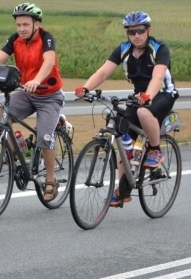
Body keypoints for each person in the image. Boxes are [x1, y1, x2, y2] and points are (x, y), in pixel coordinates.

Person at [75, 10, 178, 207]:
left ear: (148, 30)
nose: (136, 36)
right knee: (116, 122)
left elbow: (157, 77)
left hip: (163, 93)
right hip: (139, 95)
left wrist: (148, 96)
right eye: (131, 32)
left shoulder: (159, 48)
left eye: (140, 31)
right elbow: (104, 71)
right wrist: (86, 87)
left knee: (143, 112)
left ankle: (155, 150)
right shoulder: (123, 49)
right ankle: (123, 189)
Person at [0, 2, 65, 202]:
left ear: (36, 24)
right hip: (25, 92)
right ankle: (17, 150)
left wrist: (36, 80)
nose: (21, 29)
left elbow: (49, 62)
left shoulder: (46, 38)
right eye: (18, 25)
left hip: (48, 95)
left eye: (25, 24)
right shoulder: (15, 40)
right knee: (1, 111)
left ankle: (51, 179)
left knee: (45, 137)